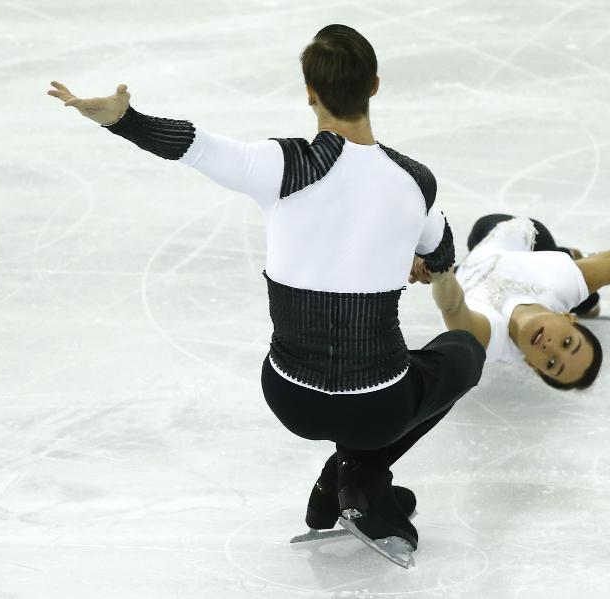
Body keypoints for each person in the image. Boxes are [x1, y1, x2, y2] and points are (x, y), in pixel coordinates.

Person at [47, 24, 485, 568]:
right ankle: (363, 475)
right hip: (377, 406)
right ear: (375, 86)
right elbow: (441, 254)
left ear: (309, 92)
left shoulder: (283, 166)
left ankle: (348, 481)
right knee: (464, 352)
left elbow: (192, 145)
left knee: (351, 374)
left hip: (289, 396)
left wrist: (121, 118)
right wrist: (417, 261)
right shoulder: (415, 182)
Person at [411, 91, 610, 391]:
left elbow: (453, 306)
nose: (551, 348)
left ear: (532, 365)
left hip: (473, 266)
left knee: (474, 240)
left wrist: (438, 269)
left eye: (552, 364)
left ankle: (577, 275)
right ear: (568, 318)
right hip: (526, 243)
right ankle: (582, 282)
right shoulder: (561, 285)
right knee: (496, 232)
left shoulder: (488, 338)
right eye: (568, 342)